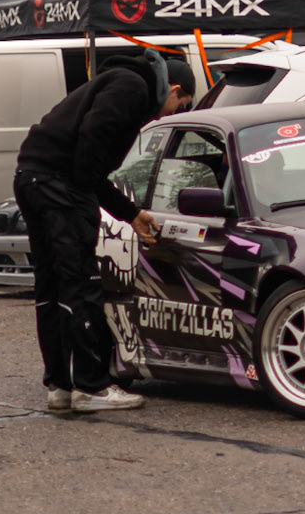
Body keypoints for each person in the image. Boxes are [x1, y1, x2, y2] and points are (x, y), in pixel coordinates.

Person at [14, 47, 195, 415]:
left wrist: (131, 214)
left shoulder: (119, 81)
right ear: (173, 89)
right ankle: (91, 386)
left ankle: (60, 386)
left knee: (52, 286)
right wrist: (80, 192)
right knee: (82, 284)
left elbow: (91, 165)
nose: (176, 113)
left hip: (33, 178)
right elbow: (92, 143)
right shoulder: (133, 87)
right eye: (182, 104)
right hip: (59, 186)